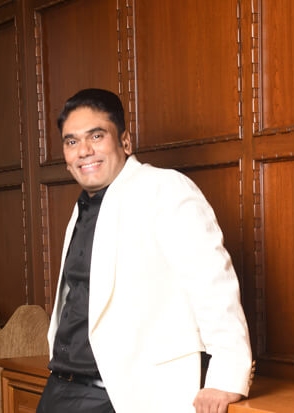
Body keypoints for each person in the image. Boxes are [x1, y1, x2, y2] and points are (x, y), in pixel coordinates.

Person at [37, 88, 253, 413]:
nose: (83, 150)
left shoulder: (165, 188)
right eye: (71, 141)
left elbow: (213, 286)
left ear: (125, 142)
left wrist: (226, 376)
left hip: (120, 396)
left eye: (96, 136)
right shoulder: (84, 205)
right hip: (60, 386)